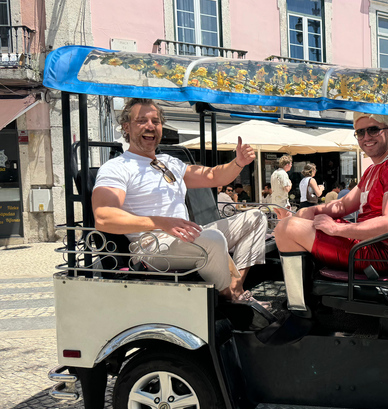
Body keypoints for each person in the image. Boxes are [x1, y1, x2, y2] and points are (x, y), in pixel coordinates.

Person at [92, 98, 268, 305]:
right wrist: (161, 223)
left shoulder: (169, 162)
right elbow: (104, 217)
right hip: (151, 246)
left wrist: (238, 163)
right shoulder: (117, 167)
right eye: (142, 121)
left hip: (185, 236)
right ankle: (230, 298)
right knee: (212, 239)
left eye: (155, 121)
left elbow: (212, 176)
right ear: (126, 127)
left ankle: (234, 288)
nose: (150, 126)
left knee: (256, 217)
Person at [273, 112, 388, 318]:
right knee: (297, 220)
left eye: (373, 129)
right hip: (369, 246)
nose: (366, 137)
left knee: (285, 228)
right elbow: (344, 205)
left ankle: (300, 311)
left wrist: (337, 228)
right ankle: (311, 300)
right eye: (360, 132)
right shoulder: (374, 169)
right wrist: (310, 211)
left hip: (381, 254)